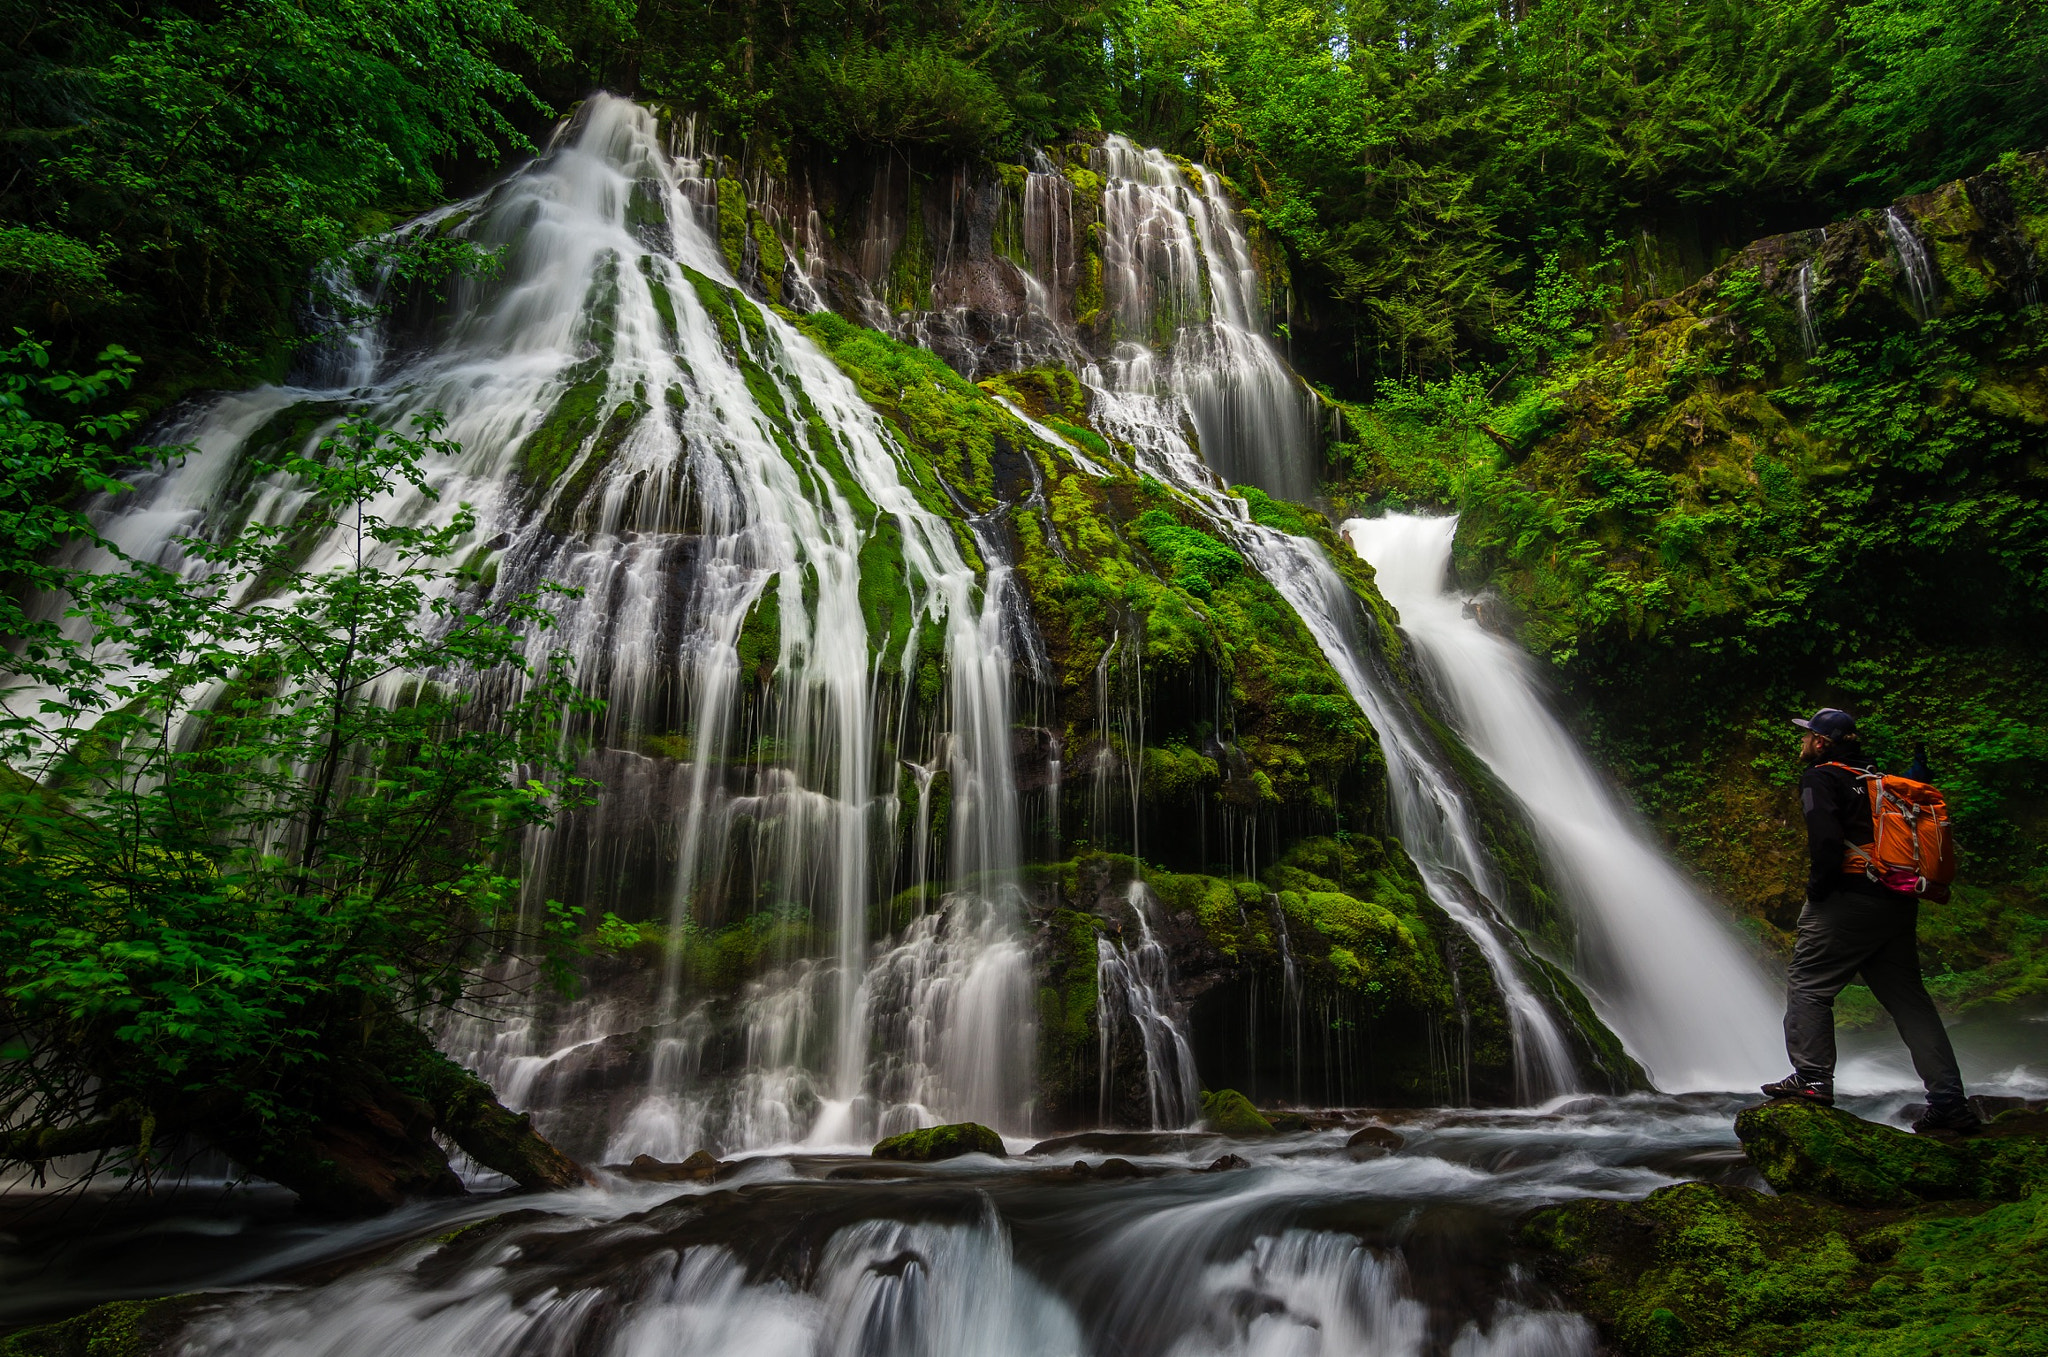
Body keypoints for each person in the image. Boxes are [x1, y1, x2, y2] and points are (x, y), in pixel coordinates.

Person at [1760, 708, 1980, 1133]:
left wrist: (1818, 893)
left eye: (1807, 736)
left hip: (1850, 897)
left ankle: (1812, 1079)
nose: (1802, 742)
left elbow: (1825, 841)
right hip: (1896, 901)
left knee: (1808, 984)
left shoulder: (1821, 777)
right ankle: (1950, 1103)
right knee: (1910, 1002)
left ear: (1822, 742)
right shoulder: (1873, 779)